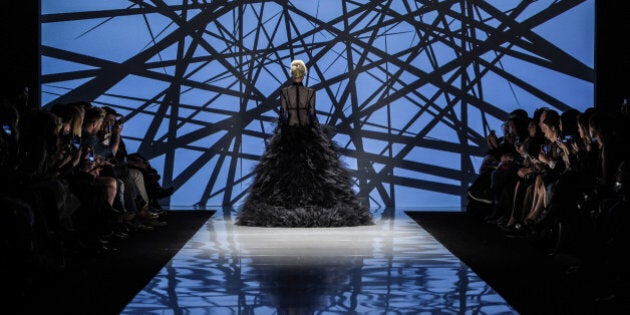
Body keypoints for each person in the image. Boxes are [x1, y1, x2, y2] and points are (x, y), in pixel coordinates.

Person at [235, 59, 373, 227]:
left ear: (296, 74)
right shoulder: (305, 92)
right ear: (299, 74)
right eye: (297, 73)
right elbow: (306, 114)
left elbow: (287, 114)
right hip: (301, 132)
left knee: (290, 169)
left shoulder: (292, 92)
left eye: (297, 73)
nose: (297, 75)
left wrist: (288, 129)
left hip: (293, 132)